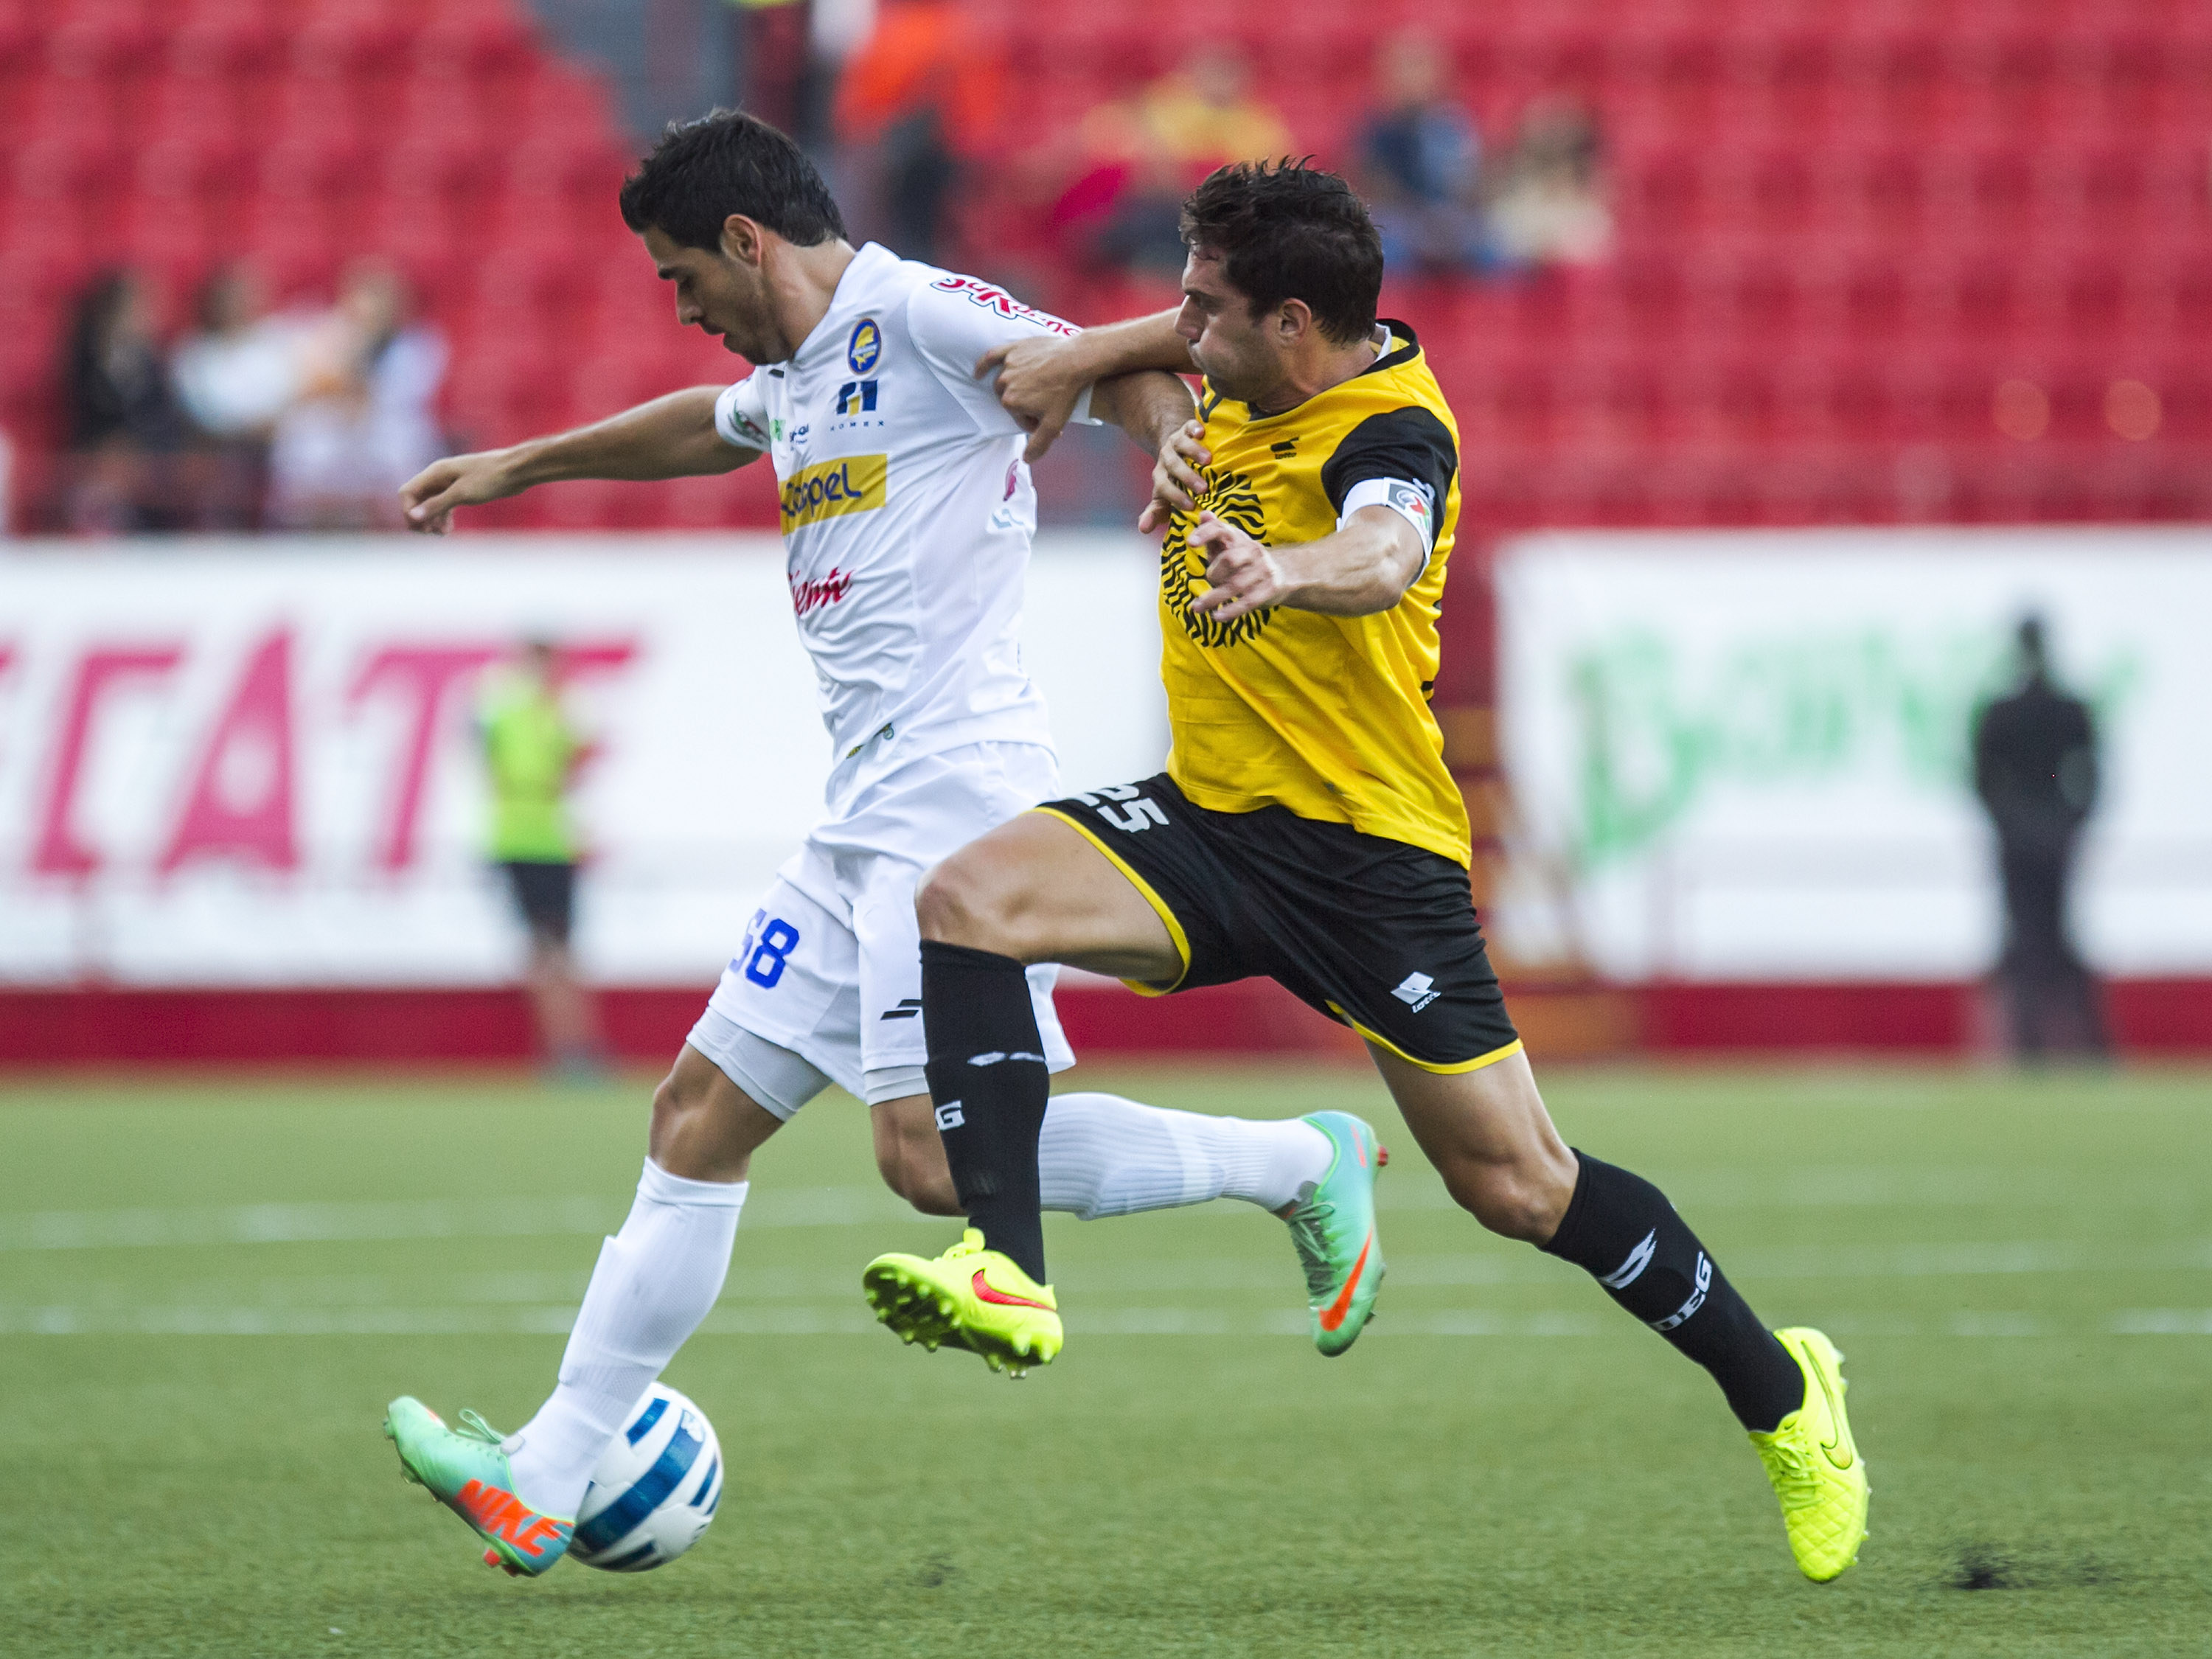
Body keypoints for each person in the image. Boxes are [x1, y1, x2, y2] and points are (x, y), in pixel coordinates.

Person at [378, 111, 1384, 1579]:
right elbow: (694, 427)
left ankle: (1300, 1160)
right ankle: (536, 1478)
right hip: (859, 819)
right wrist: (519, 465)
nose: (683, 310)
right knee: (694, 1122)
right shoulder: (789, 374)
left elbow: (1122, 372)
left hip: (959, 801)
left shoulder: (912, 312)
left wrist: (1171, 447)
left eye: (680, 279)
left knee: (928, 1163)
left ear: (745, 241)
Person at [861, 159, 1869, 1585]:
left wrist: (1280, 573)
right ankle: (1010, 1274)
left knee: (1520, 1188)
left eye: (1207, 309)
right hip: (1212, 823)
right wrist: (1106, 365)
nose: (1183, 324)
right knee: (969, 901)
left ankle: (1786, 1396)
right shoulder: (1249, 353)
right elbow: (1155, 345)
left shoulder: (1393, 427)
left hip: (1366, 863)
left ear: (1290, 324)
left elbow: (1386, 551)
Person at [1973, 616, 2107, 1059]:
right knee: (2059, 938)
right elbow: (2089, 777)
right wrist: (2069, 823)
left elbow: (1983, 780)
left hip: (2021, 839)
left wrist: (2010, 822)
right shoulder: (2067, 708)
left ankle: (2030, 1046)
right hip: (2054, 837)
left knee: (2029, 940)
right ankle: (2086, 1047)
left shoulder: (2003, 711)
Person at [479, 639, 605, 1078]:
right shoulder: (516, 712)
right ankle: (566, 1050)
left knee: (557, 953)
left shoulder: (544, 711)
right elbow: (544, 772)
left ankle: (571, 1049)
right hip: (528, 843)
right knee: (549, 953)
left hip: (546, 842)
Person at [268, 262, 448, 529]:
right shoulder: (329, 333)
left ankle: (403, 533)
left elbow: (385, 397)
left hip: (386, 434)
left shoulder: (416, 345)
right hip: (334, 432)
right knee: (303, 444)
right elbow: (311, 387)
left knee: (406, 454)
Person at [172, 262, 305, 528]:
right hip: (217, 451)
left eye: (242, 299)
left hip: (270, 450)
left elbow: (286, 402)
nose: (236, 308)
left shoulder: (273, 345)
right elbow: (201, 414)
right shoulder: (194, 353)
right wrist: (245, 428)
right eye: (229, 300)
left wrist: (266, 425)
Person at [60, 268, 193, 532]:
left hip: (149, 454)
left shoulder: (154, 360)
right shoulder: (86, 357)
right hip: (100, 453)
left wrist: (141, 448)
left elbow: (162, 415)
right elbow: (87, 410)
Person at [1357, 30, 1489, 276]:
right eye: (1405, 70)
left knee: (1493, 253)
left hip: (1450, 220)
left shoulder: (1454, 124)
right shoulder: (1375, 126)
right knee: (1383, 253)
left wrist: (1446, 219)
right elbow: (1372, 187)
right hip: (1400, 222)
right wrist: (1420, 222)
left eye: (1421, 69)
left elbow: (1471, 182)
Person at [1484, 98, 1615, 271]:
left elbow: (1594, 262)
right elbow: (1500, 245)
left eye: (1561, 165)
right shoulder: (1516, 205)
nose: (1555, 174)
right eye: (1548, 163)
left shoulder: (1592, 214)